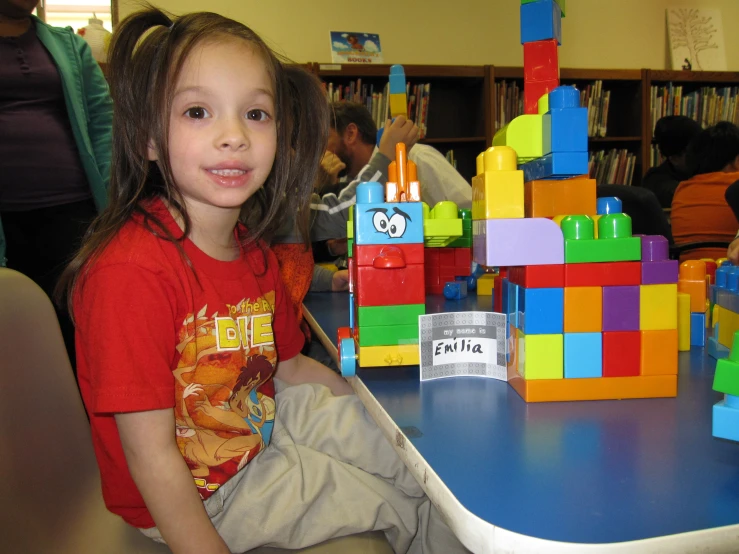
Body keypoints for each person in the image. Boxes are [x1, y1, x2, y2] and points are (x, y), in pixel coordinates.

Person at [59, 8, 467, 554]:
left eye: (255, 113)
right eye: (198, 111)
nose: (233, 136)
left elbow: (291, 367)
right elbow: (151, 457)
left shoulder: (253, 252)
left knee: (422, 465)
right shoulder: (127, 274)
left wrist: (384, 424)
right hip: (205, 492)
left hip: (263, 419)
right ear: (147, 140)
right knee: (396, 505)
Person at [0, 0, 113, 367]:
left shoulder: (70, 46)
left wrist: (115, 206)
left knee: (81, 326)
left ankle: (84, 419)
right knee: (18, 335)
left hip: (73, 212)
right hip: (7, 221)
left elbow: (103, 123)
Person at [311, 102, 472, 259]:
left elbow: (468, 208)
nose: (318, 151)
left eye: (324, 139)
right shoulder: (345, 181)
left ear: (351, 133)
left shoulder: (416, 157)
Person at [671, 121, 739, 262]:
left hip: (688, 274)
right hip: (730, 275)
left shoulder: (682, 189)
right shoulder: (735, 186)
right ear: (737, 161)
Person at [642, 115, 702, 208]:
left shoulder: (705, 170)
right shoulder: (657, 182)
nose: (703, 154)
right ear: (674, 158)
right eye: (696, 151)